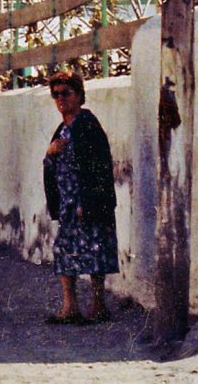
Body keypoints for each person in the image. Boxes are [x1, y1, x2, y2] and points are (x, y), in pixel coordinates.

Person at [42, 70, 118, 325]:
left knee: (95, 251)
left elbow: (100, 165)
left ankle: (98, 305)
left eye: (66, 93)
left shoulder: (87, 124)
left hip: (86, 203)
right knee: (64, 253)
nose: (60, 99)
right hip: (68, 205)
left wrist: (90, 201)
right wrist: (50, 152)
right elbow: (51, 164)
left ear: (79, 95)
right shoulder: (62, 129)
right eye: (56, 94)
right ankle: (70, 306)